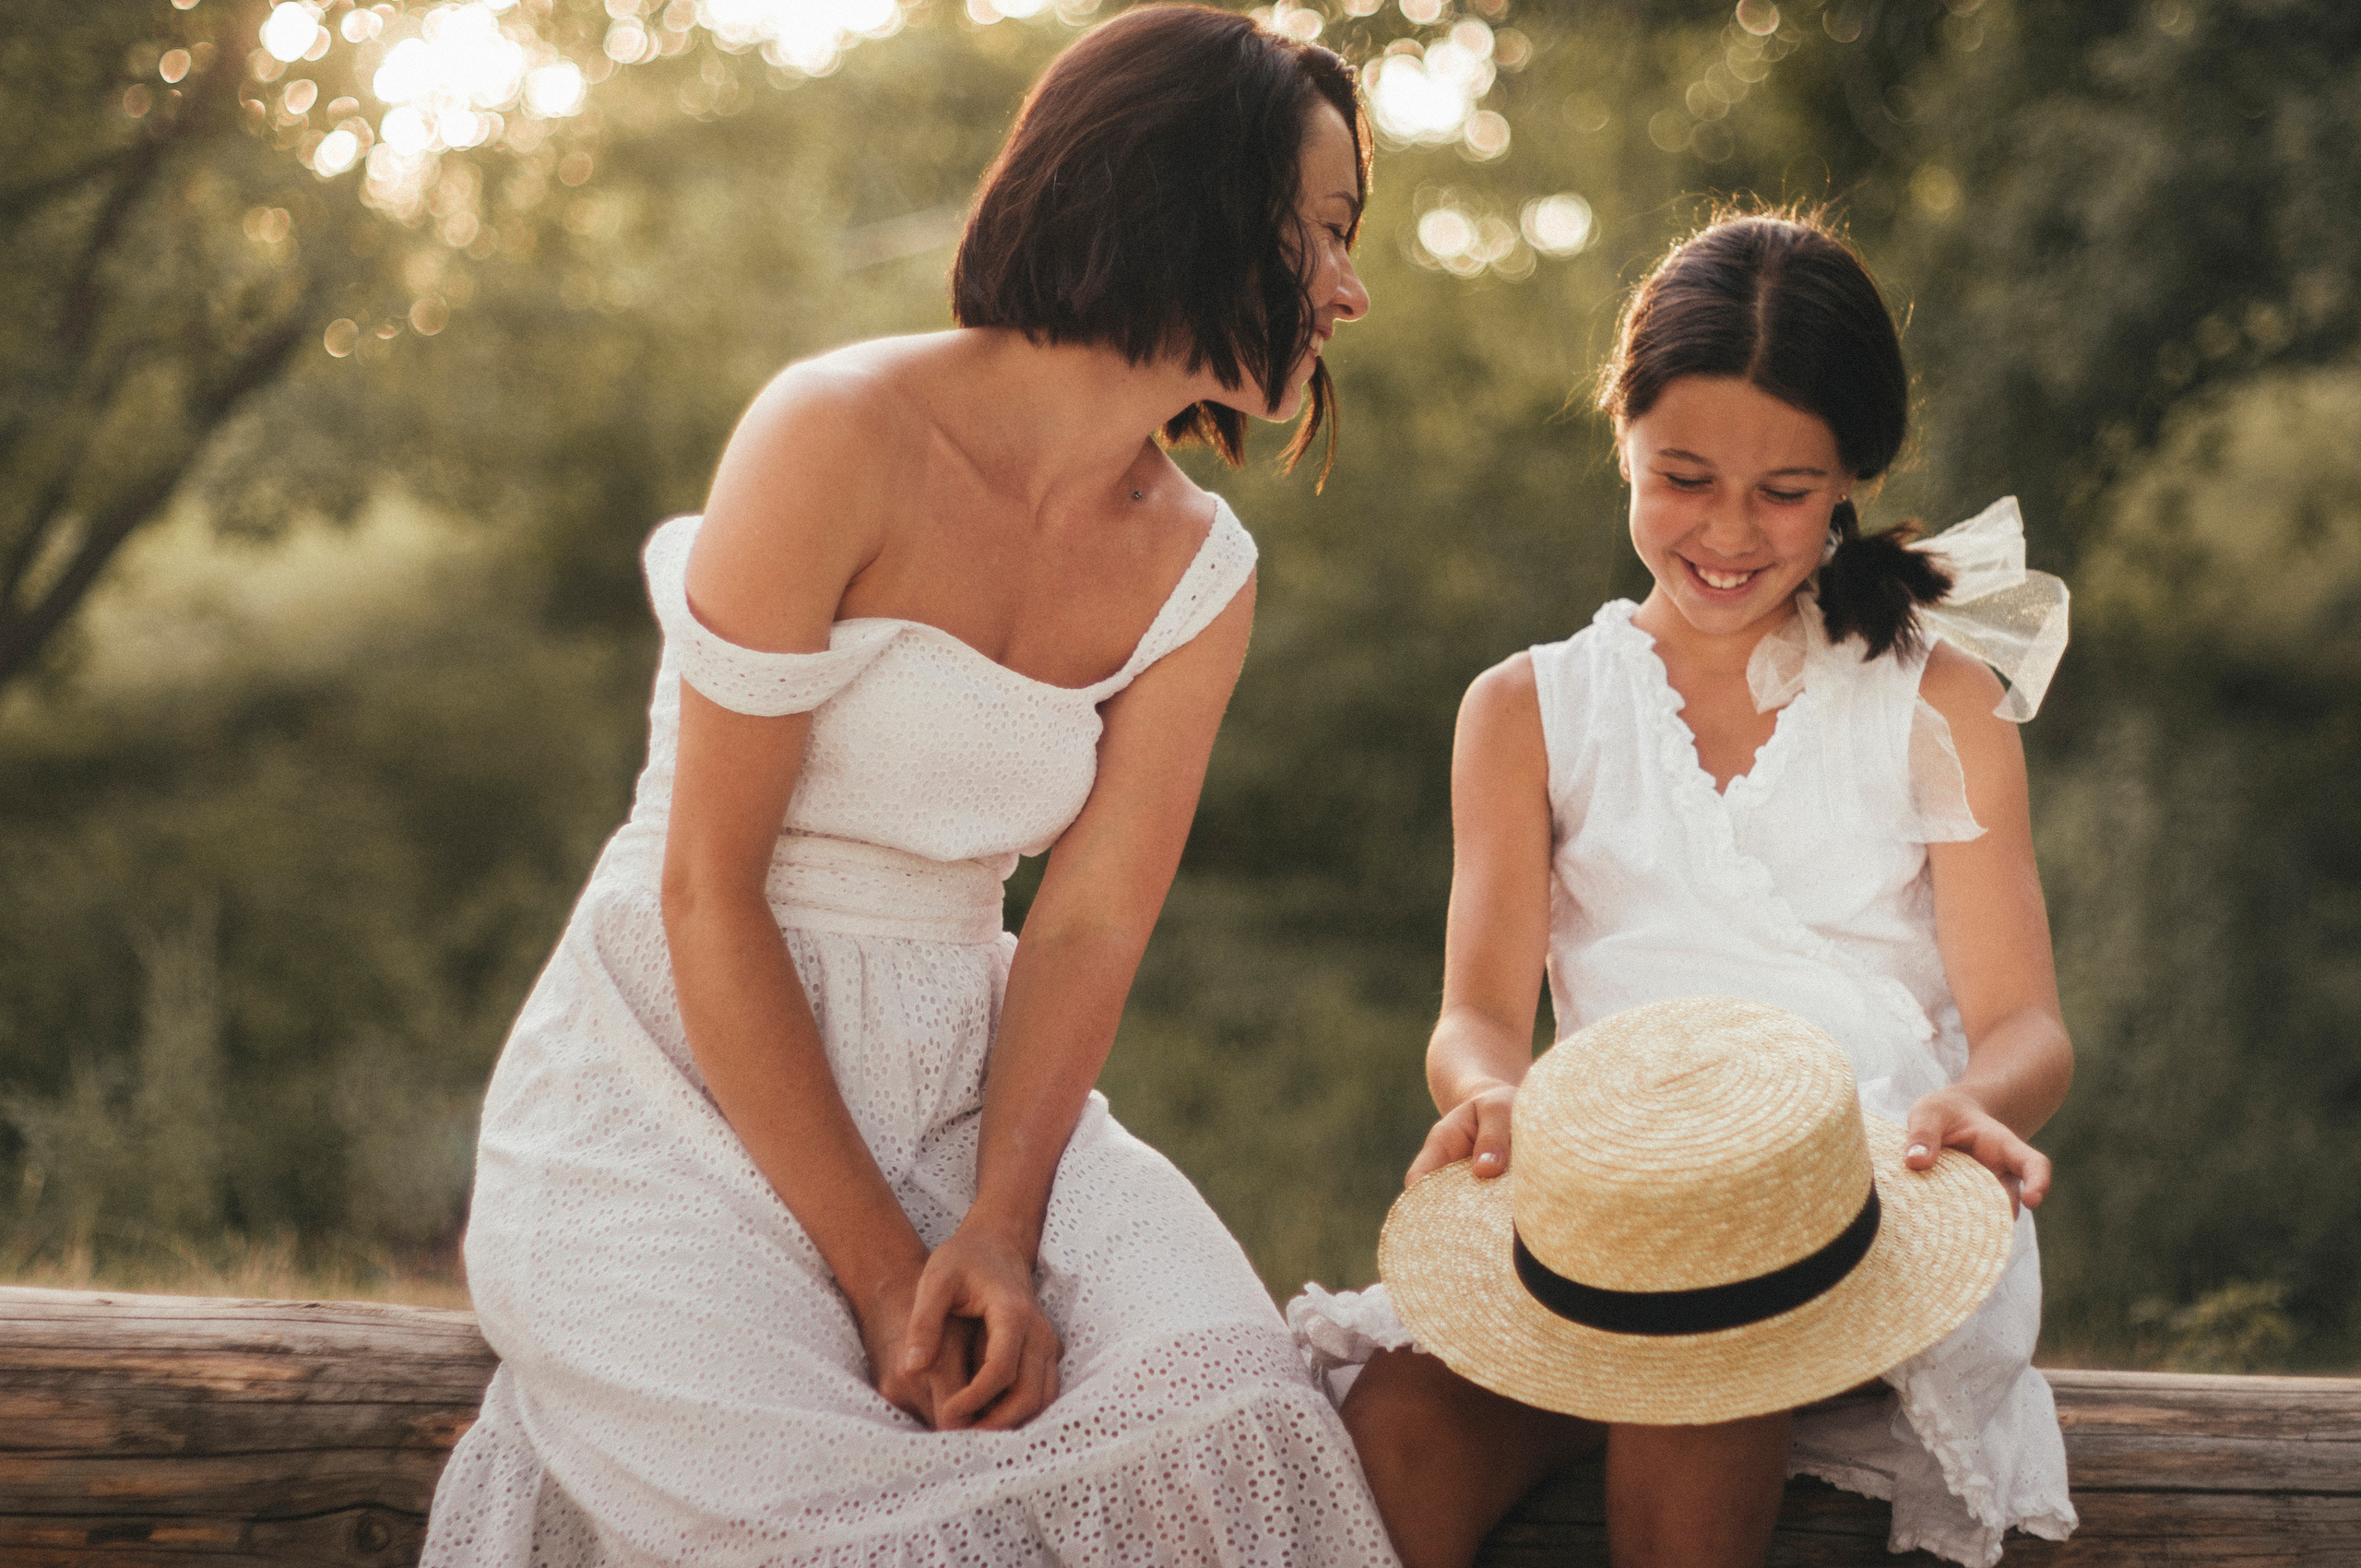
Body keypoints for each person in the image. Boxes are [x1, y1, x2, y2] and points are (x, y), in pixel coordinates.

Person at [421, 7, 1396, 1563]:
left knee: (1231, 1411)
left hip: (971, 1085)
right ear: (1188, 198)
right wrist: (888, 1279)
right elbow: (706, 888)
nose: (1350, 287)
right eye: (1323, 231)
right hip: (679, 1069)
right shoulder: (834, 434)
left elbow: (1087, 927)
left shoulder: (1201, 571)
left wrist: (1000, 1227)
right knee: (854, 1517)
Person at [1286, 210, 2080, 1568]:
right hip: (1612, 1211)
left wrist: (1975, 1105)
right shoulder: (1528, 709)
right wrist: (1490, 1093)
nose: (1726, 531)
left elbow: (2027, 1028)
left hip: (1862, 1214)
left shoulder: (1936, 699)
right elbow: (1476, 1015)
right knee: (1396, 1429)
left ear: (1850, 477)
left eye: (1785, 491)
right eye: (1684, 477)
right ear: (1624, 440)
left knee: (1703, 1364)